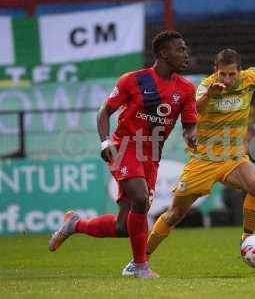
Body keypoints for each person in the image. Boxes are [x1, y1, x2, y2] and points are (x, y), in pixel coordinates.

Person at [122, 48, 255, 275]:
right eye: (223, 74)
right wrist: (210, 93)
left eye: (231, 74)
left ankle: (247, 239)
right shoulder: (205, 86)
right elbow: (192, 108)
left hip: (233, 157)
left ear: (240, 71)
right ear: (215, 71)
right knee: (174, 215)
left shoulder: (250, 78)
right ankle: (139, 260)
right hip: (203, 160)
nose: (227, 79)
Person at [48, 31, 198, 279]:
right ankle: (140, 267)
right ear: (163, 53)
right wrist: (105, 141)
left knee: (123, 226)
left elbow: (190, 124)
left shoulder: (185, 89)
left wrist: (191, 134)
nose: (186, 54)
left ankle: (75, 224)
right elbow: (104, 112)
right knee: (141, 199)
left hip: (151, 155)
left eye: (185, 49)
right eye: (180, 49)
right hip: (125, 146)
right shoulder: (133, 80)